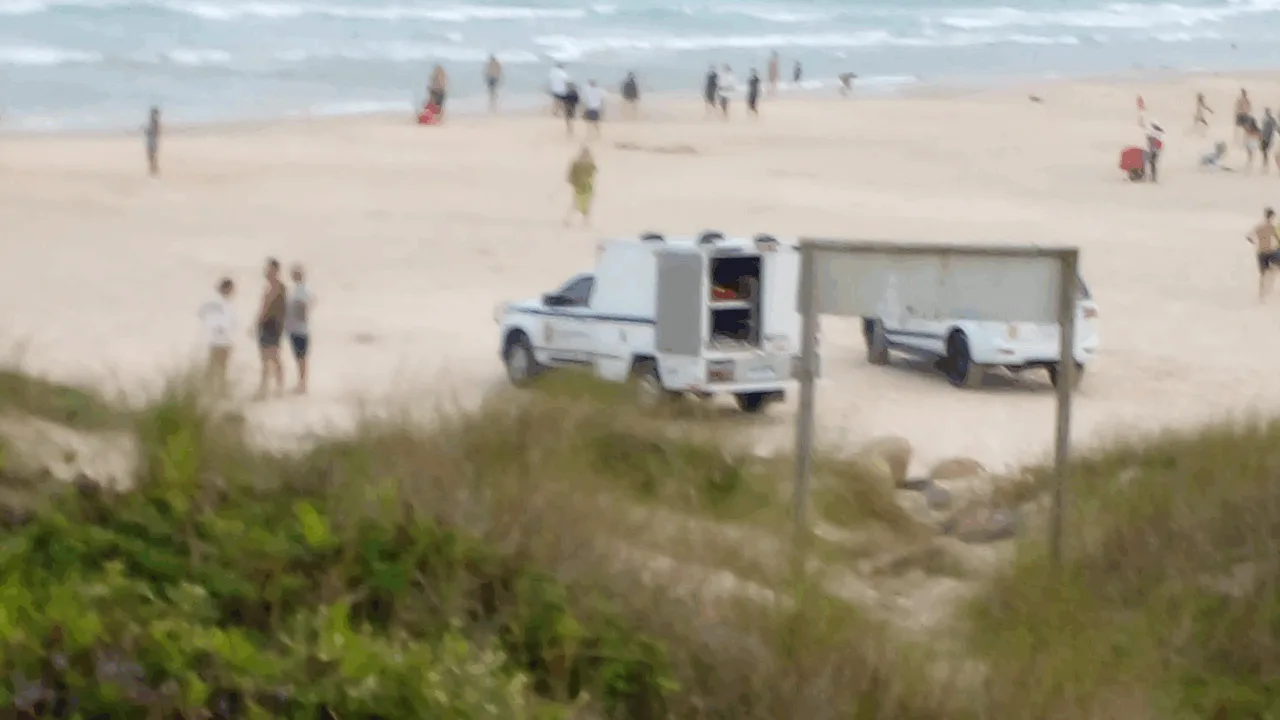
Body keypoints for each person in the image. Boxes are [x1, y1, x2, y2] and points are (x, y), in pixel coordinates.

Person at [254, 257, 287, 400]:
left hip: (272, 325)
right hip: (269, 324)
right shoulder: (271, 287)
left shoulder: (277, 287)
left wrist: (259, 320)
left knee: (272, 356)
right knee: (267, 357)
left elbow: (266, 306)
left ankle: (275, 386)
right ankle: (268, 386)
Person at [198, 277, 236, 397]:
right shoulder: (221, 302)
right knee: (217, 368)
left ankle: (217, 391)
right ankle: (218, 391)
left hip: (219, 340)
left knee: (216, 368)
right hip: (220, 340)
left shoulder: (220, 301)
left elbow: (202, 313)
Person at [285, 264, 314, 394]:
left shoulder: (301, 291)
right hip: (295, 328)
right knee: (299, 357)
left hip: (300, 329)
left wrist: (298, 318)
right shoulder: (296, 290)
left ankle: (302, 384)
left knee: (301, 358)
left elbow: (303, 308)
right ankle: (301, 383)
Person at [1248, 207, 1280, 301]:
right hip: (1271, 251)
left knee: (1263, 274)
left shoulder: (1259, 226)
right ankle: (1269, 288)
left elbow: (1249, 237)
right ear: (1272, 216)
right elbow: (1278, 239)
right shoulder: (1272, 227)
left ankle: (1262, 295)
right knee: (1275, 268)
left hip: (1260, 252)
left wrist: (1257, 243)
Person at [564, 146, 596, 226]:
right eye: (584, 154)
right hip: (579, 187)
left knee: (586, 206)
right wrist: (571, 180)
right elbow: (571, 174)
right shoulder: (577, 164)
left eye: (587, 154)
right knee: (576, 204)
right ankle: (569, 220)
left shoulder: (590, 164)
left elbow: (593, 173)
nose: (585, 156)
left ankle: (586, 222)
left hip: (587, 188)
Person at [1143, 118, 1164, 183]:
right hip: (1155, 151)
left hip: (1153, 150)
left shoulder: (1154, 132)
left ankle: (1151, 177)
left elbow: (1149, 137)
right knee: (1152, 163)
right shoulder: (1158, 132)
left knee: (1150, 163)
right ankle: (1152, 177)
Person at [143, 107, 161, 177]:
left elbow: (155, 132)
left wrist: (147, 132)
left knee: (152, 155)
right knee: (150, 155)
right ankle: (153, 169)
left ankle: (154, 169)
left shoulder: (155, 122)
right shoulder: (152, 122)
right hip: (151, 140)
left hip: (152, 140)